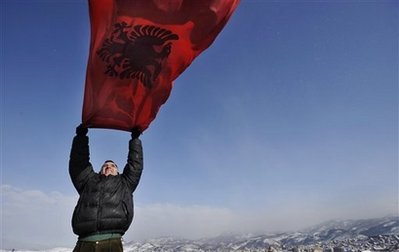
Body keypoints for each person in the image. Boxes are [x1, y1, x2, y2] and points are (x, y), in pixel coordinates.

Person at [69, 124, 143, 252]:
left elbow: (135, 165)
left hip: (112, 243)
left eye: (113, 165)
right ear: (100, 170)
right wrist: (81, 137)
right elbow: (78, 163)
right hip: (84, 242)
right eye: (105, 165)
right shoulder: (88, 181)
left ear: (118, 172)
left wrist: (135, 140)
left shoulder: (125, 183)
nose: (109, 166)